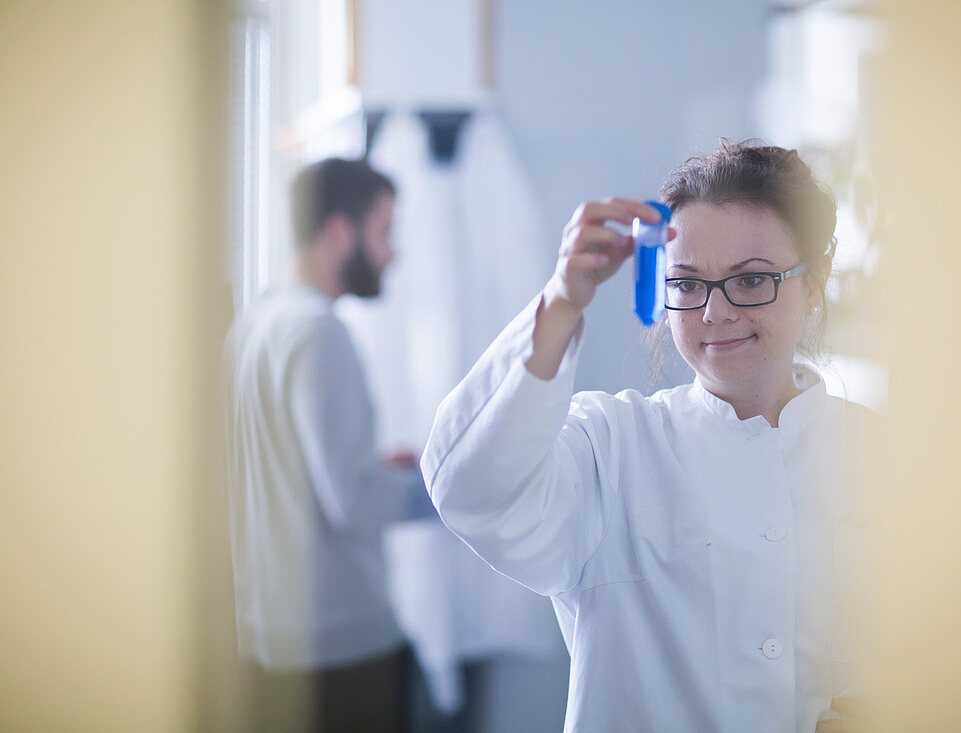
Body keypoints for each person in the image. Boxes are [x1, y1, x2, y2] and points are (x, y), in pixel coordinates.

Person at [421, 141, 877, 732]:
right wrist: (562, 300)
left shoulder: (888, 458)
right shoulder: (610, 445)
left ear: (813, 285)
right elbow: (471, 491)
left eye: (752, 280)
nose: (714, 313)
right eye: (687, 284)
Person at [225, 157, 422, 732]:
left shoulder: (256, 324)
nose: (393, 253)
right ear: (339, 232)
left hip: (267, 641)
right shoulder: (319, 332)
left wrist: (375, 466)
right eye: (385, 232)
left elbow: (277, 469)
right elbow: (356, 503)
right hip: (339, 651)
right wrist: (449, 483)